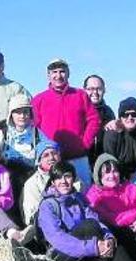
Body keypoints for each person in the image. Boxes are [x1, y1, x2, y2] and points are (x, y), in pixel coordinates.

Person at [37, 162, 136, 261]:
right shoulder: (48, 206)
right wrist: (94, 246)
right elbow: (58, 239)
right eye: (58, 178)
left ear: (73, 178)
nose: (63, 181)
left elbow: (97, 221)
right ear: (53, 182)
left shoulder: (79, 198)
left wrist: (108, 237)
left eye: (67, 176)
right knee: (89, 226)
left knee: (112, 244)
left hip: (85, 255)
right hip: (62, 259)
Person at [32, 58, 100, 191]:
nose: (58, 76)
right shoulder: (39, 99)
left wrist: (84, 143)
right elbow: (34, 128)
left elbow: (94, 119)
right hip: (52, 161)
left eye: (62, 71)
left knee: (84, 195)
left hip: (78, 158)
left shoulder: (80, 95)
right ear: (48, 76)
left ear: (68, 73)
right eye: (54, 72)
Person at [103, 97, 136, 181]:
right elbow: (110, 162)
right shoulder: (112, 134)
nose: (130, 118)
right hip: (117, 178)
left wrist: (132, 185)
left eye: (134, 114)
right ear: (120, 117)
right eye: (125, 115)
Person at [21, 139, 61, 225]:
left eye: (54, 153)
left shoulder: (71, 175)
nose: (51, 157)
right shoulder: (32, 183)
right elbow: (32, 215)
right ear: (39, 161)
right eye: (46, 155)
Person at [83, 74, 115, 166]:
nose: (95, 92)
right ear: (84, 90)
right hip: (82, 159)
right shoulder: (78, 111)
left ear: (104, 90)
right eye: (90, 89)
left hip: (103, 162)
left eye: (99, 89)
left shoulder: (108, 113)